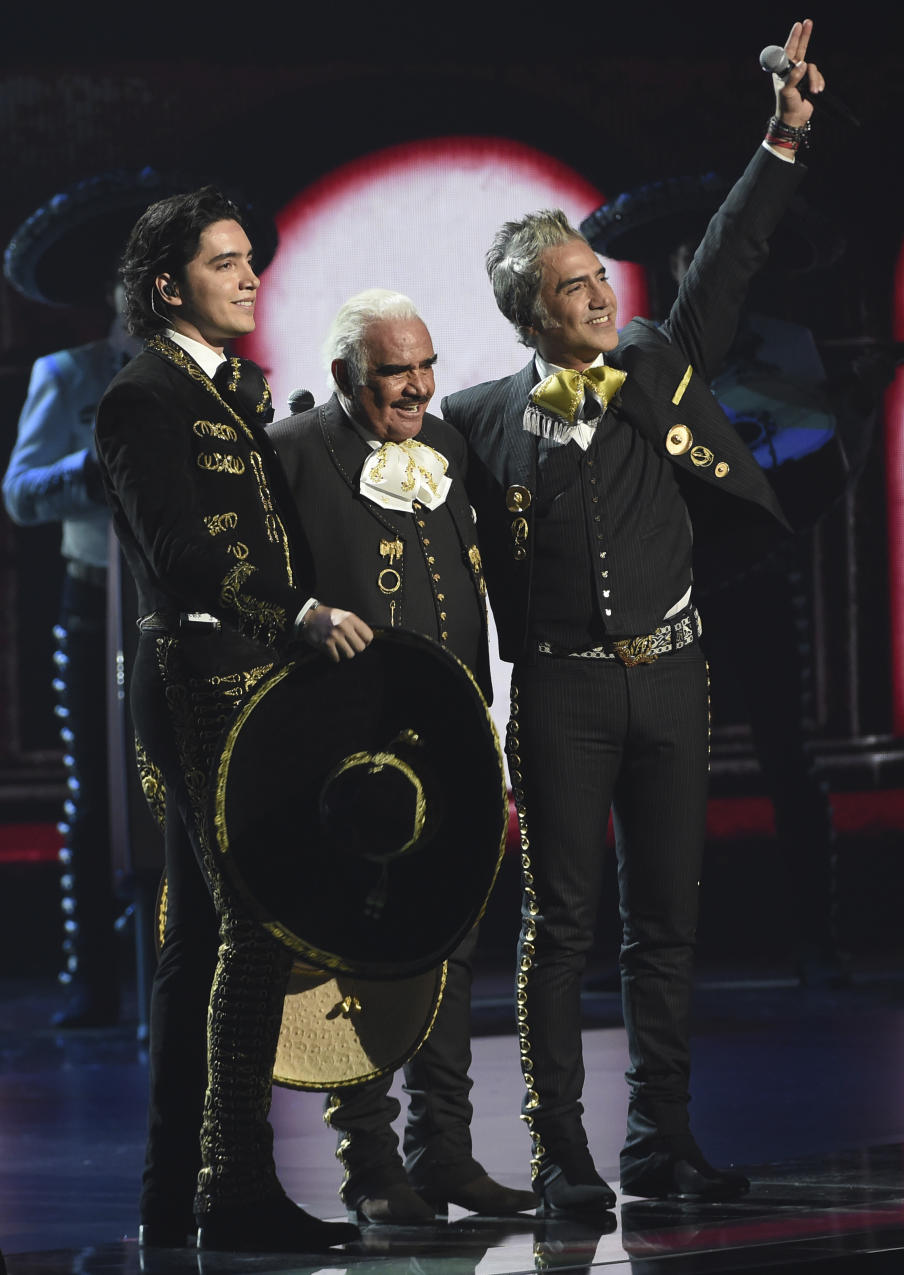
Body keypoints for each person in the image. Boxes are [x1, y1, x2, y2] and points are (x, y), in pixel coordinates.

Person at [441, 21, 824, 1215]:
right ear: (528, 315)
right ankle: (563, 1154)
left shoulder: (658, 357)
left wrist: (784, 134)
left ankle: (663, 1143)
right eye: (573, 287)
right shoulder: (475, 417)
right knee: (560, 930)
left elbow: (726, 259)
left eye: (599, 277)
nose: (601, 295)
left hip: (671, 678)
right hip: (558, 691)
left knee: (666, 927)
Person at [95, 186, 366, 1254]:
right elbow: (184, 558)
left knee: (204, 937)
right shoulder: (141, 399)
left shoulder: (229, 391)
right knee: (250, 925)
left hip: (248, 678)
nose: (251, 276)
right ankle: (232, 1185)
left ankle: (183, 1195)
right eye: (225, 262)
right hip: (197, 675)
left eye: (251, 258)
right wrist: (297, 612)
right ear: (169, 286)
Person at [268, 288, 537, 1224]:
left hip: (452, 735)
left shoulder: (451, 447)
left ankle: (446, 1153)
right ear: (348, 375)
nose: (418, 386)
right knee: (366, 951)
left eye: (425, 365)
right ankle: (373, 1162)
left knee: (452, 946)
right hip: (350, 748)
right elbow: (269, 591)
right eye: (395, 371)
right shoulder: (294, 453)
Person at [3, 288, 138, 1027]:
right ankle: (93, 976)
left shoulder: (205, 373)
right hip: (93, 600)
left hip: (175, 604)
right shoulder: (67, 373)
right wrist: (87, 473)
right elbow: (19, 493)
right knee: (95, 791)